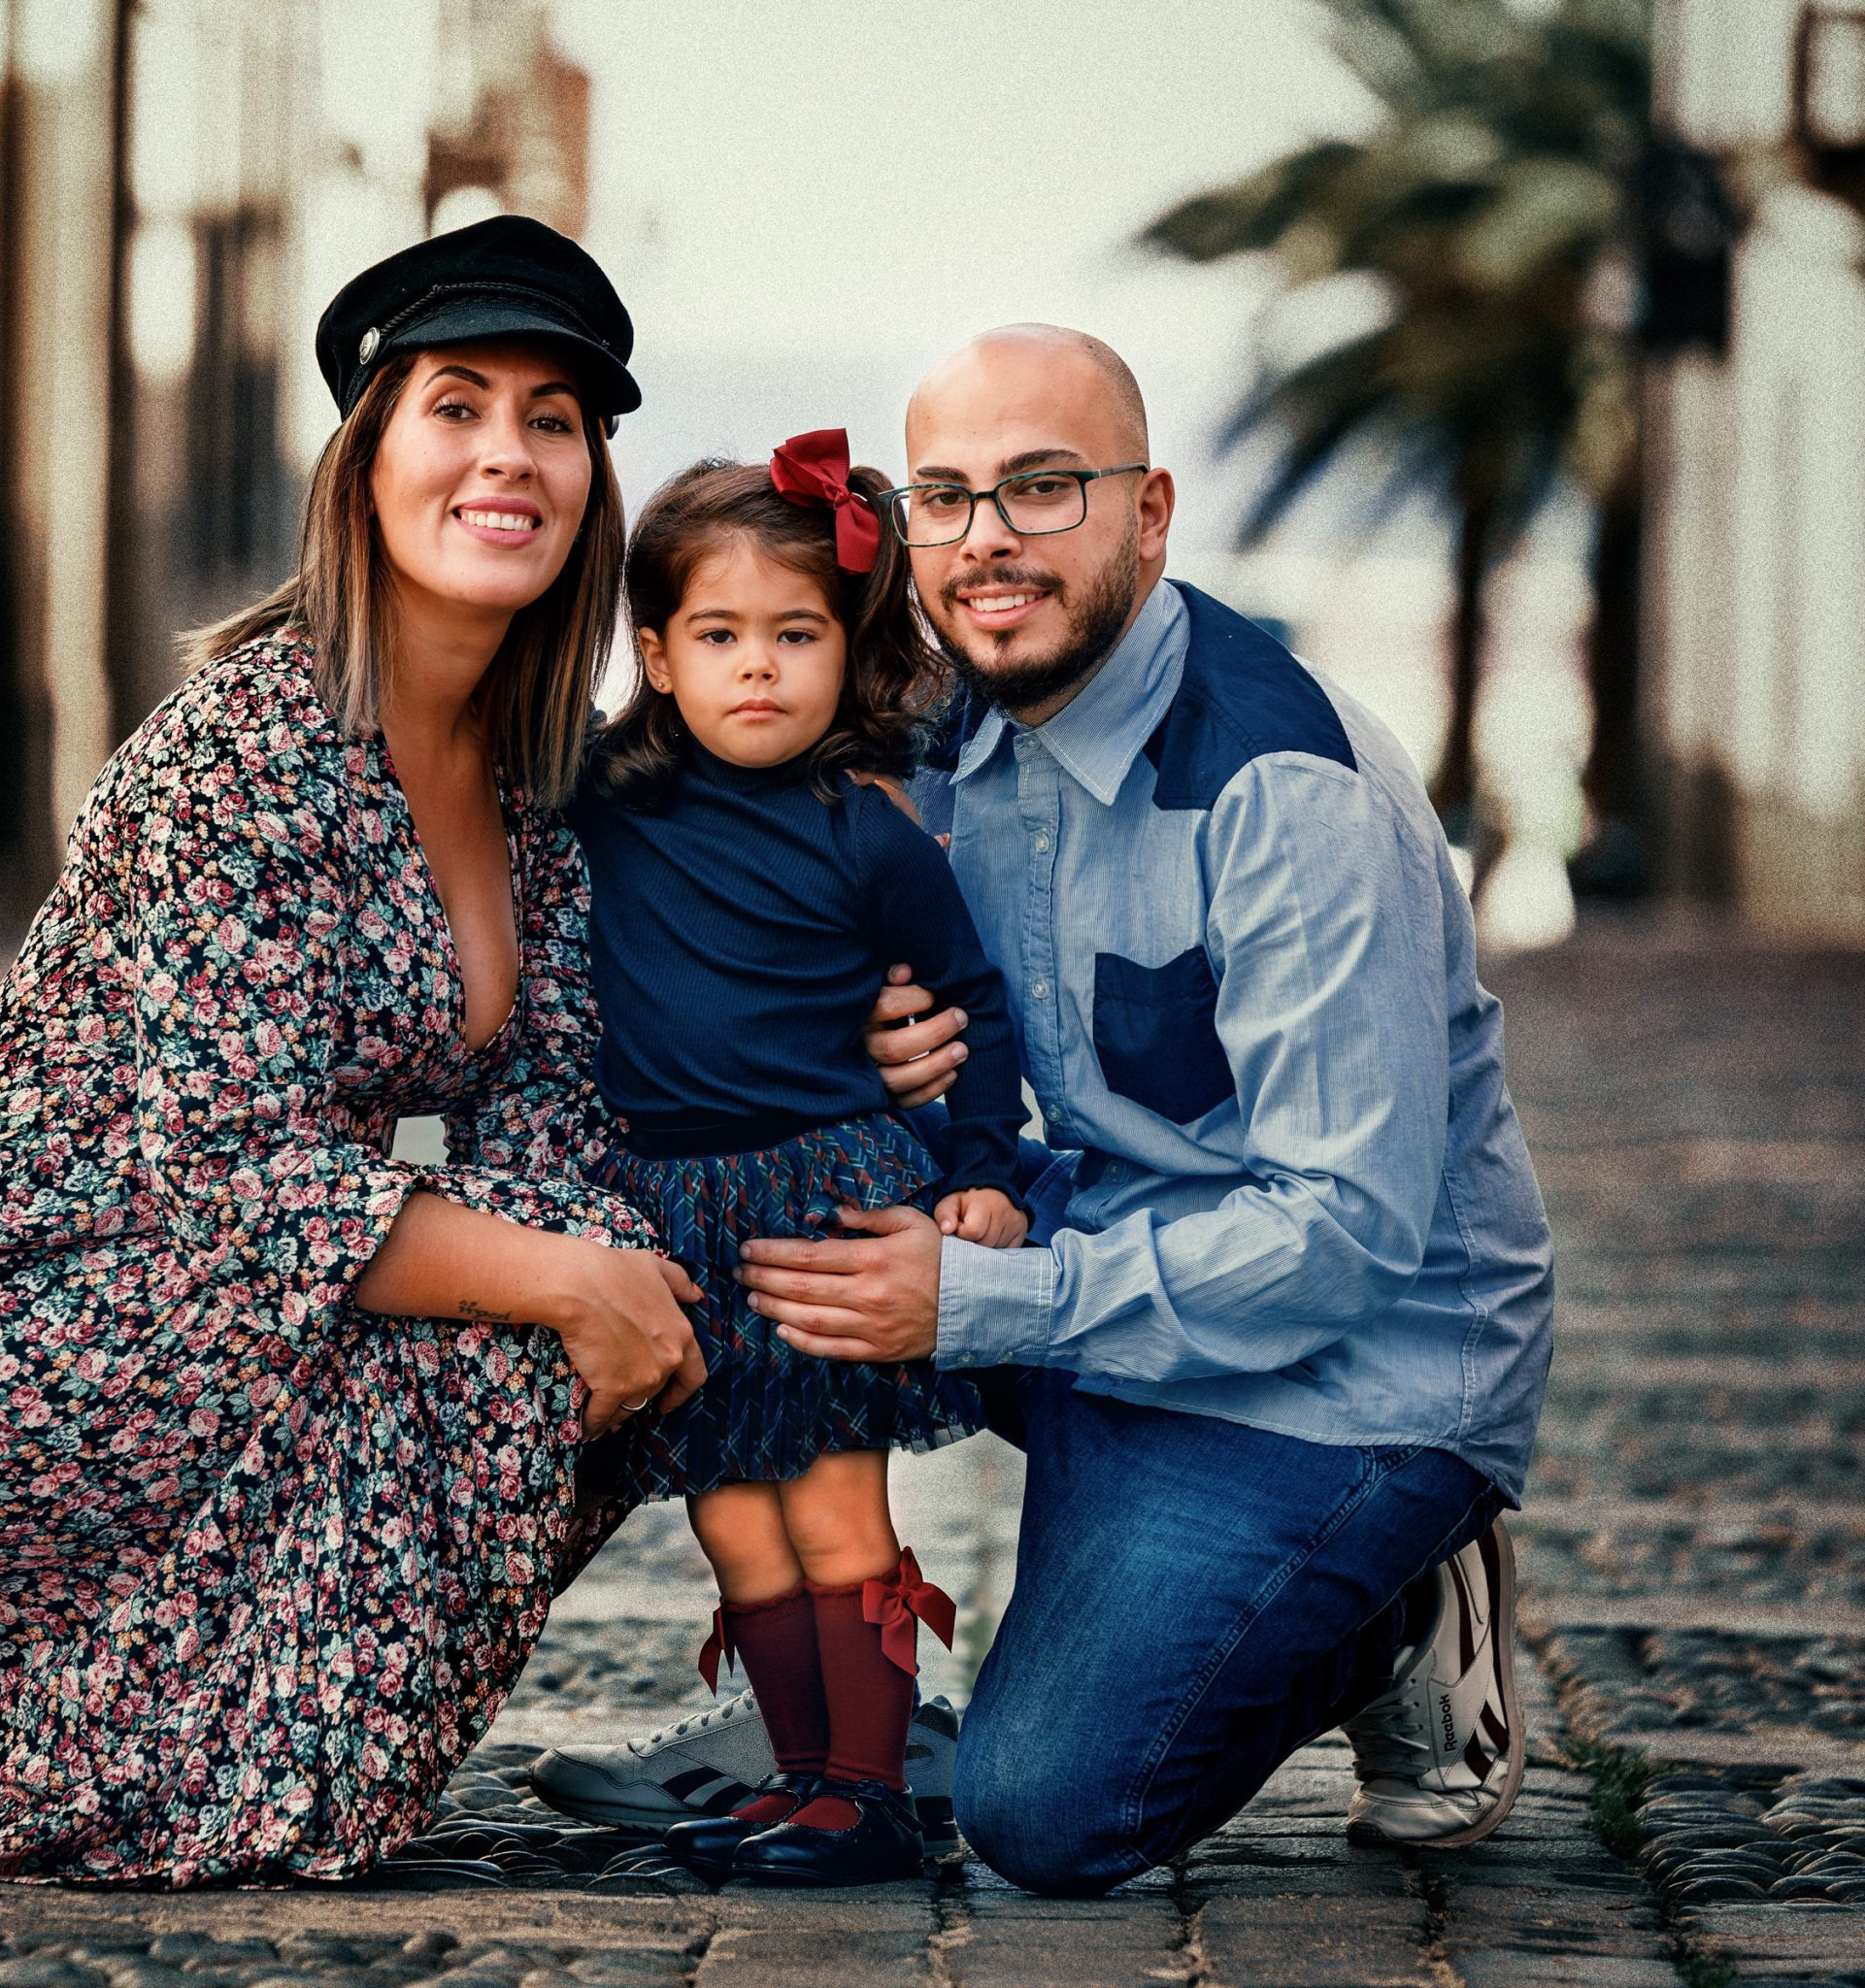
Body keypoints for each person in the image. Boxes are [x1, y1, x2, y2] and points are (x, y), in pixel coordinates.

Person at [0, 215, 709, 1885]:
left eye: (554, 419)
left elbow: (563, 1124)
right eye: (457, 405)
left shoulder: (530, 796)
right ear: (364, 460)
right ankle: (241, 1766)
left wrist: (856, 1051)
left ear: (595, 478)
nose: (508, 455)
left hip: (188, 1289)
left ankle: (232, 1744)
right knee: (566, 1290)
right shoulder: (242, 748)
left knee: (653, 1256)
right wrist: (567, 1279)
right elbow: (231, 1175)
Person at [534, 326, 1555, 1897]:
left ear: (1149, 515)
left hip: (1346, 1370)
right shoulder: (926, 742)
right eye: (945, 496)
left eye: (1043, 489)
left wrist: (978, 1301)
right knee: (769, 1302)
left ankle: (1392, 1602)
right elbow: (777, 879)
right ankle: (827, 1737)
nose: (988, 537)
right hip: (1104, 1281)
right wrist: (840, 1029)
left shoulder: (1284, 790)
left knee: (1049, 1811)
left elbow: (1348, 1239)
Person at [565, 434, 1030, 1885]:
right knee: (732, 1518)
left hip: (824, 1202)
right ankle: (798, 1773)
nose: (757, 668)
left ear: (847, 649)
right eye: (718, 636)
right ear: (656, 651)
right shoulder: (603, 800)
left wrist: (984, 1168)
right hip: (673, 1214)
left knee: (833, 1501)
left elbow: (976, 1003)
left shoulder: (867, 830)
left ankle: (867, 1791)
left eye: (795, 635)